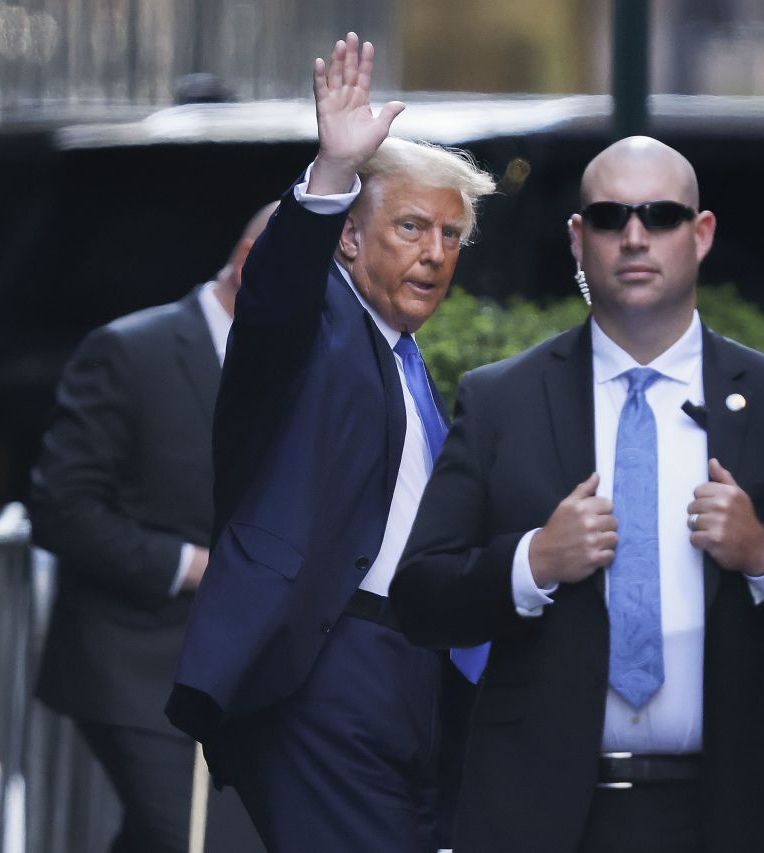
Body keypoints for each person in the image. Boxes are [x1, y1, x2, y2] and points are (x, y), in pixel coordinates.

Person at [390, 136, 764, 852]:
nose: (634, 236)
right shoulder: (502, 400)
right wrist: (533, 562)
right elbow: (419, 594)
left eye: (660, 215)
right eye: (610, 217)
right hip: (541, 814)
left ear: (700, 235)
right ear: (579, 239)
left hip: (735, 812)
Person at [164, 33, 497, 853]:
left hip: (417, 672)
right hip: (327, 662)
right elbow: (273, 294)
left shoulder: (407, 360)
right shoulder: (317, 326)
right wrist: (332, 177)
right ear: (348, 239)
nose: (434, 253)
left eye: (452, 236)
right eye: (413, 226)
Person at [28, 202, 276, 853]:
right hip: (135, 659)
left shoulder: (307, 365)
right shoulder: (130, 349)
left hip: (246, 672)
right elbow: (60, 508)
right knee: (194, 839)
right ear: (252, 263)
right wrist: (190, 564)